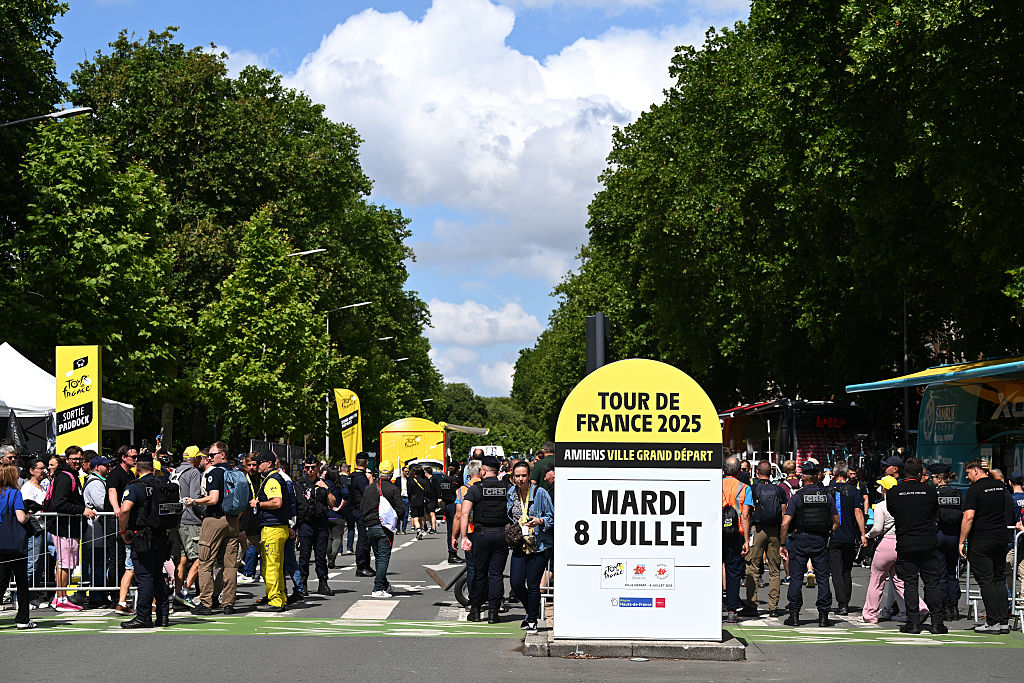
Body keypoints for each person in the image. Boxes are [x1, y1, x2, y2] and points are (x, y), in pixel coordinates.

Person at [885, 457, 945, 634]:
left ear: (904, 473)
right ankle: (937, 622)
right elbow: (935, 513)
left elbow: (893, 511)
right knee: (932, 583)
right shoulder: (930, 491)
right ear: (920, 474)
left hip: (906, 542)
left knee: (910, 583)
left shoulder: (895, 492)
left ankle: (913, 622)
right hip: (928, 542)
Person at [183, 442, 240, 615]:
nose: (209, 458)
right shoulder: (236, 473)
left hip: (214, 519)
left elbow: (213, 499)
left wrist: (194, 501)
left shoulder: (214, 473)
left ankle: (206, 603)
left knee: (205, 562)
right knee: (230, 566)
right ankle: (228, 603)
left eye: (212, 455)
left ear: (222, 454)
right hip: (233, 521)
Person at [780, 461, 838, 626]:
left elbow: (785, 523)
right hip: (820, 540)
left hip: (800, 540)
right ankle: (823, 616)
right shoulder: (826, 496)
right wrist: (828, 533)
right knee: (823, 578)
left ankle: (794, 615)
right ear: (816, 477)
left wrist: (782, 544)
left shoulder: (798, 496)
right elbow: (836, 521)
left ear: (803, 477)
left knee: (796, 578)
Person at [116, 451, 170, 628]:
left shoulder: (135, 487)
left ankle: (143, 616)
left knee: (145, 576)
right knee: (158, 576)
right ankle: (163, 615)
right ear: (153, 468)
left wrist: (123, 531)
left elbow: (125, 510)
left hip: (142, 536)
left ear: (136, 468)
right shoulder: (163, 484)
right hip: (161, 535)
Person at [959, 459, 1014, 633]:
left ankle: (992, 621)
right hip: (1001, 537)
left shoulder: (975, 489)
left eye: (968, 473)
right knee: (999, 579)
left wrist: (961, 541)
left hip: (982, 539)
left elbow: (968, 517)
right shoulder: (1000, 486)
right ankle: (1003, 621)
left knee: (986, 580)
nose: (967, 477)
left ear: (976, 470)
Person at [459, 456, 510, 622]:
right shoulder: (506, 487)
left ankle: (475, 610)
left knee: (480, 573)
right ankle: (493, 613)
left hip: (481, 535)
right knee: (496, 575)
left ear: (483, 470)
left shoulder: (476, 489)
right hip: (501, 535)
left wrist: (464, 536)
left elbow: (464, 514)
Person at [506, 461, 553, 635]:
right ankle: (532, 610)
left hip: (539, 544)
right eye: (517, 476)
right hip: (520, 542)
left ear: (529, 476)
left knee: (533, 584)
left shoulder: (540, 493)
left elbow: (552, 517)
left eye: (524, 475)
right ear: (513, 476)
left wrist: (540, 521)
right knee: (516, 583)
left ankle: (532, 620)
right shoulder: (511, 493)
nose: (520, 479)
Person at [47, 447, 97, 611]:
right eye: (74, 459)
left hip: (70, 528)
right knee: (65, 563)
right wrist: (82, 510)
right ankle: (60, 599)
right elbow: (60, 504)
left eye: (80, 459)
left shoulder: (71, 475)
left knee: (68, 564)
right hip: (63, 528)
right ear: (67, 459)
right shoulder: (65, 477)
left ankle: (61, 597)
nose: (77, 462)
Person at [741, 460, 785, 617]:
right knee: (774, 570)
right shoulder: (779, 490)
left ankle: (752, 605)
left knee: (752, 567)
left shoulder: (752, 489)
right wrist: (783, 540)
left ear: (757, 472)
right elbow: (784, 514)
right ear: (771, 473)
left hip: (758, 530)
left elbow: (746, 514)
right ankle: (773, 607)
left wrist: (746, 539)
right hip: (774, 531)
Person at [826, 463, 867, 616]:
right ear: (846, 474)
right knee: (846, 570)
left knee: (836, 571)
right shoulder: (854, 491)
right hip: (849, 535)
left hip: (833, 535)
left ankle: (841, 602)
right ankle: (846, 602)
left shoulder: (827, 490)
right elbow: (858, 512)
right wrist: (863, 534)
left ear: (834, 474)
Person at [252, 452, 289, 612]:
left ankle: (275, 601)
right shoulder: (276, 478)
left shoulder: (272, 480)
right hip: (279, 526)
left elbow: (277, 502)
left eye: (260, 462)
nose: (257, 465)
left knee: (271, 566)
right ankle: (280, 597)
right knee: (277, 566)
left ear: (269, 463)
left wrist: (258, 504)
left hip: (272, 528)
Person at [360, 467, 405, 598]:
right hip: (385, 527)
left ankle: (384, 584)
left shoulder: (369, 488)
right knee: (383, 558)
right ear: (391, 474)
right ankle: (378, 588)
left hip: (370, 526)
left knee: (378, 557)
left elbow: (362, 507)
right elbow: (401, 510)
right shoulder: (393, 489)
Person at [0, 463, 36, 629]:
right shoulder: (14, 493)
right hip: (14, 543)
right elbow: (21, 518)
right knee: (21, 581)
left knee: (2, 580)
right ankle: (22, 619)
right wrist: (29, 514)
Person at [295, 456, 334, 596]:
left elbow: (332, 503)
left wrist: (326, 488)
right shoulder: (299, 484)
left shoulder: (323, 483)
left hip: (321, 523)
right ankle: (303, 584)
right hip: (306, 524)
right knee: (304, 556)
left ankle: (323, 583)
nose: (310, 470)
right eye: (307, 467)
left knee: (321, 556)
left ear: (318, 468)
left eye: (313, 467)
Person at [106, 445, 138, 615]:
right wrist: (116, 508)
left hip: (126, 520)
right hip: (114, 519)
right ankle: (114, 595)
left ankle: (122, 596)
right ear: (124, 457)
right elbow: (112, 491)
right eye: (133, 456)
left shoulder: (131, 474)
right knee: (116, 558)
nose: (136, 459)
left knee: (126, 560)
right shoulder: (115, 473)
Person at [930, 462, 964, 620]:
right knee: (952, 572)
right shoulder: (957, 493)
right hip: (954, 536)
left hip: (939, 534)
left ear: (938, 478)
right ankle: (953, 607)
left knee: (941, 573)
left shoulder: (934, 494)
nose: (931, 480)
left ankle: (943, 607)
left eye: (932, 477)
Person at [722, 456, 751, 623]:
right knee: (733, 572)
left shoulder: (713, 485)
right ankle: (732, 611)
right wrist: (746, 540)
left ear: (723, 470)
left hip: (715, 533)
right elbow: (745, 515)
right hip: (736, 533)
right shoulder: (745, 488)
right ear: (739, 471)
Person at [82, 454, 114, 608]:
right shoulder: (95, 483)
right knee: (98, 564)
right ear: (96, 467)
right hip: (96, 529)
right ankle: (96, 597)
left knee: (99, 563)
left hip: (98, 529)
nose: (108, 467)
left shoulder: (99, 481)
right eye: (105, 465)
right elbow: (102, 504)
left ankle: (100, 595)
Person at [451, 459, 483, 603]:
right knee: (488, 566)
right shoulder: (486, 486)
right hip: (487, 530)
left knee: (471, 567)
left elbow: (458, 515)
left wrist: (454, 536)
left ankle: (473, 600)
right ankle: (493, 598)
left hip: (469, 531)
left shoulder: (462, 490)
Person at [20, 457, 47, 606]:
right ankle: (24, 597)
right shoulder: (28, 488)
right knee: (32, 563)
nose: (44, 471)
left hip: (42, 529)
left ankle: (33, 595)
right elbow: (27, 509)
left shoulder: (41, 486)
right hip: (33, 530)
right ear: (31, 470)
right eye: (40, 468)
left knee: (39, 564)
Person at [350, 454, 374, 577]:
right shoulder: (361, 478)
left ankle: (366, 565)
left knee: (365, 538)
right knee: (364, 539)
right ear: (366, 463)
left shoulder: (352, 475)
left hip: (355, 508)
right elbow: (369, 494)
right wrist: (371, 480)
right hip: (362, 510)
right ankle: (361, 566)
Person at [436, 465, 462, 564]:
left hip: (447, 505)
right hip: (454, 505)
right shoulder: (456, 481)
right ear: (457, 470)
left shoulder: (445, 480)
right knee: (454, 531)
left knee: (450, 530)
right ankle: (452, 554)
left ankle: (452, 553)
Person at [407, 464, 428, 539]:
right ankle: (420, 530)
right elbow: (427, 492)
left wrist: (410, 500)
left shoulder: (411, 481)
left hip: (414, 501)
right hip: (422, 501)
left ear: (414, 472)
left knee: (415, 517)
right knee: (420, 516)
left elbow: (409, 492)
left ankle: (418, 530)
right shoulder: (425, 481)